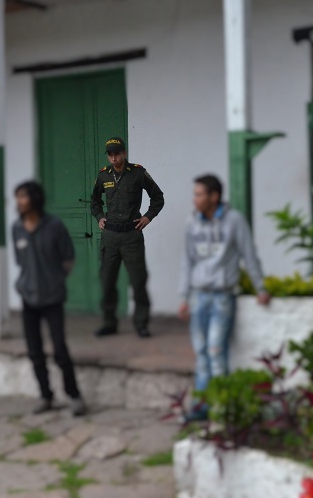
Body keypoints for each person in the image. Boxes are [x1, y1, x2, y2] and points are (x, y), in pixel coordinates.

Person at [178, 174, 271, 420]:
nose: (195, 199)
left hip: (222, 297)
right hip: (198, 296)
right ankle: (200, 409)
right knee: (201, 354)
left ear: (214, 196)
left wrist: (260, 287)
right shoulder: (191, 223)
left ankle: (222, 408)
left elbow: (249, 255)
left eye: (199, 194)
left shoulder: (234, 221)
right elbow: (187, 261)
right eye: (195, 194)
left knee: (216, 352)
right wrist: (183, 296)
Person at [12, 181, 87, 417]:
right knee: (34, 351)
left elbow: (68, 259)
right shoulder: (16, 228)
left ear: (35, 198)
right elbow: (20, 261)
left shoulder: (54, 226)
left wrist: (53, 280)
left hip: (52, 298)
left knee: (60, 350)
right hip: (28, 298)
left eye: (23, 197)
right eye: (17, 198)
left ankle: (74, 396)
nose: (19, 202)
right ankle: (46, 395)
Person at [90, 137, 165, 338]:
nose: (114, 158)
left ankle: (141, 323)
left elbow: (158, 197)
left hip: (132, 235)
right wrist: (99, 217)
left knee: (138, 281)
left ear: (124, 153)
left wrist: (148, 217)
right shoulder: (103, 176)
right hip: (110, 236)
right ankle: (109, 322)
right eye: (110, 155)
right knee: (107, 281)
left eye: (117, 154)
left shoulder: (138, 173)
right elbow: (94, 201)